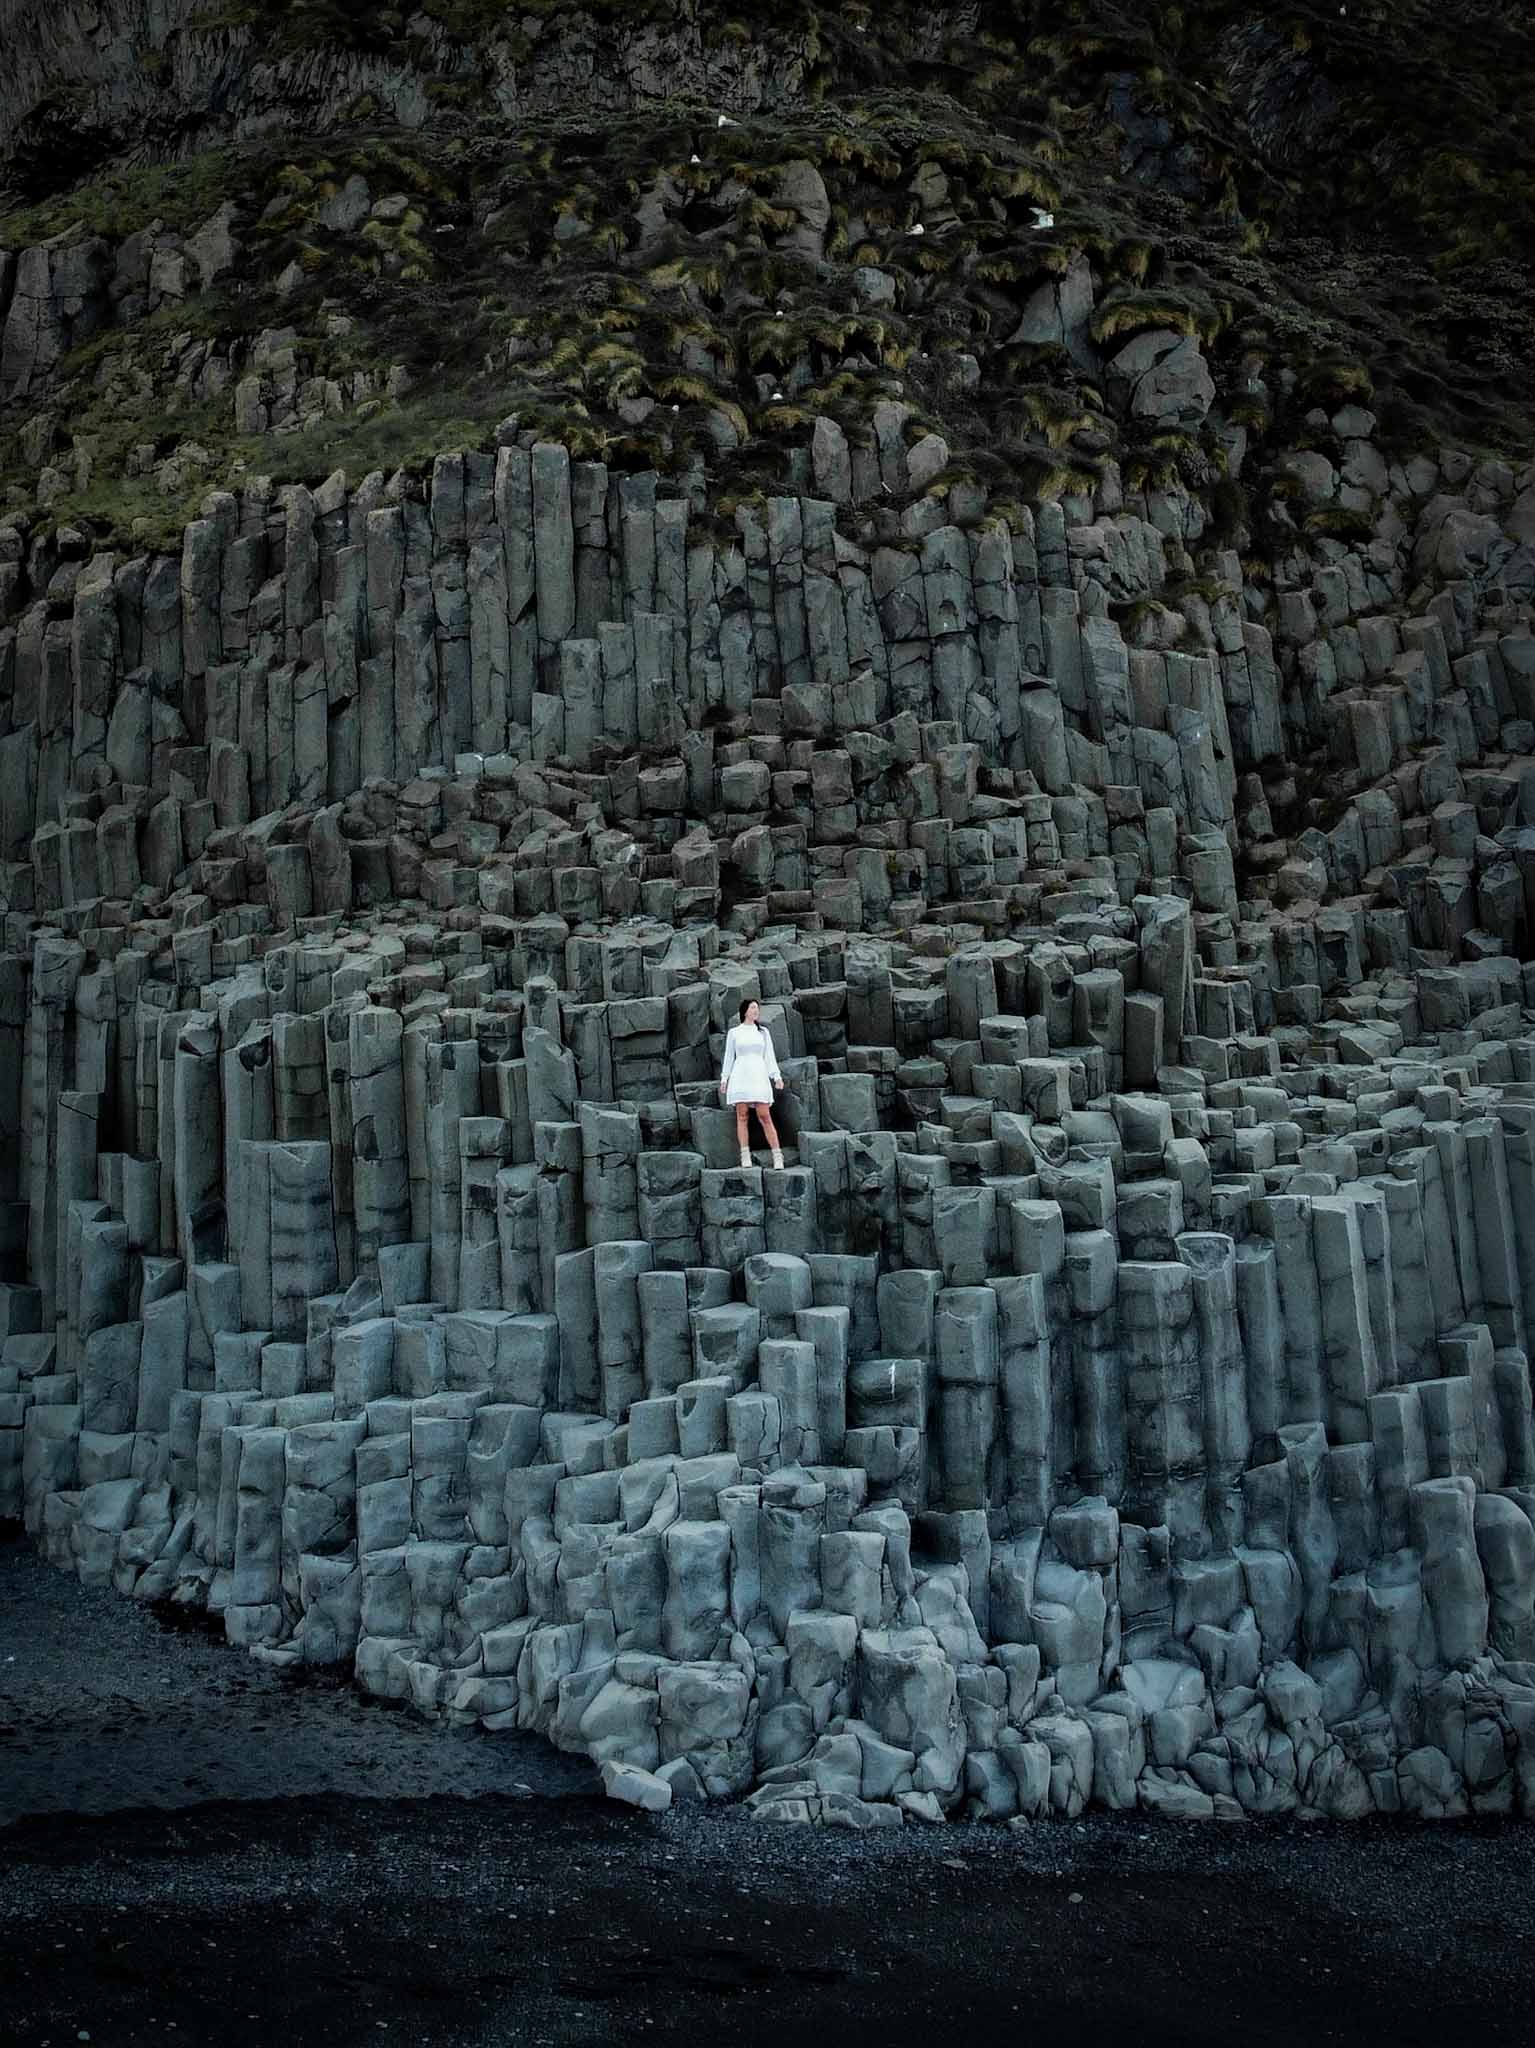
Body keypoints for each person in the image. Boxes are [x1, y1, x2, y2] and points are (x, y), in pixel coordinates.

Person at [719, 997, 785, 1169]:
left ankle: (777, 1156)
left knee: (764, 1115)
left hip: (758, 1075)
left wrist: (776, 1076)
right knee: (742, 1116)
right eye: (753, 1007)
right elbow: (728, 1057)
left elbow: (769, 1056)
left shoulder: (763, 1032)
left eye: (757, 1008)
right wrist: (724, 1078)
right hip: (740, 1075)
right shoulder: (735, 1032)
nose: (756, 1010)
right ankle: (745, 1155)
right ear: (745, 1011)